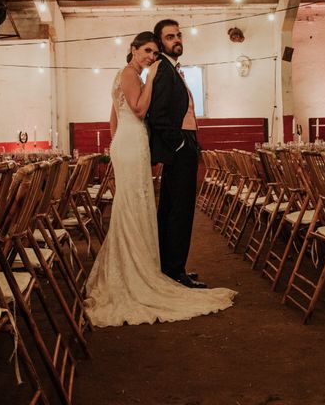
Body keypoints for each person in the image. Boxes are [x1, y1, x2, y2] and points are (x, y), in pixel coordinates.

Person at [84, 31, 236, 327]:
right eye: (147, 51)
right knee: (133, 202)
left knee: (136, 202)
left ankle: (140, 265)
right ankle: (136, 272)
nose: (151, 57)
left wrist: (116, 143)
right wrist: (152, 79)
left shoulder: (130, 76)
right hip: (132, 141)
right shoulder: (131, 74)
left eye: (155, 53)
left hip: (129, 142)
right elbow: (139, 110)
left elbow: (113, 115)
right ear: (133, 50)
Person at [146, 19, 204, 288]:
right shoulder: (163, 70)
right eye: (170, 36)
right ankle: (174, 269)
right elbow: (156, 115)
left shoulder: (172, 69)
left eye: (178, 35)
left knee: (172, 207)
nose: (177, 39)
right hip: (180, 146)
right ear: (160, 43)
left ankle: (172, 266)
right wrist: (179, 144)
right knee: (179, 210)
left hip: (186, 143)